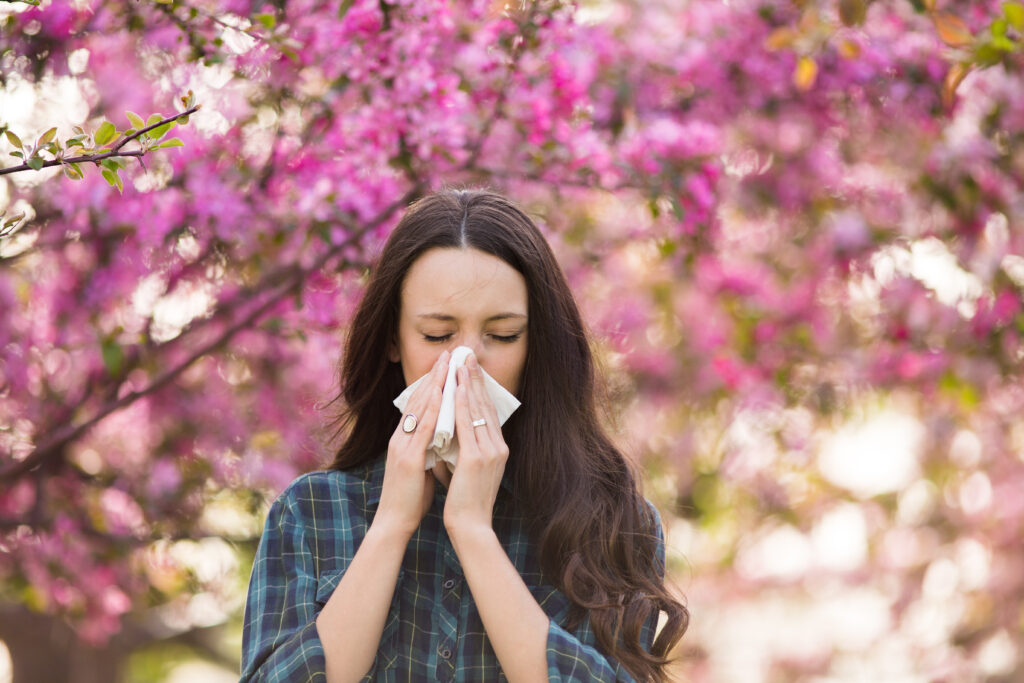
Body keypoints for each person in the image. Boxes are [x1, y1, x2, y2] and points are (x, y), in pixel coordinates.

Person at [240, 189, 689, 682]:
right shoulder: (309, 515)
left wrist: (474, 532)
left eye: (502, 335)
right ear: (393, 339)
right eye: (437, 336)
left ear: (535, 344)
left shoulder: (611, 523)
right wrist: (390, 524)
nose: (466, 363)